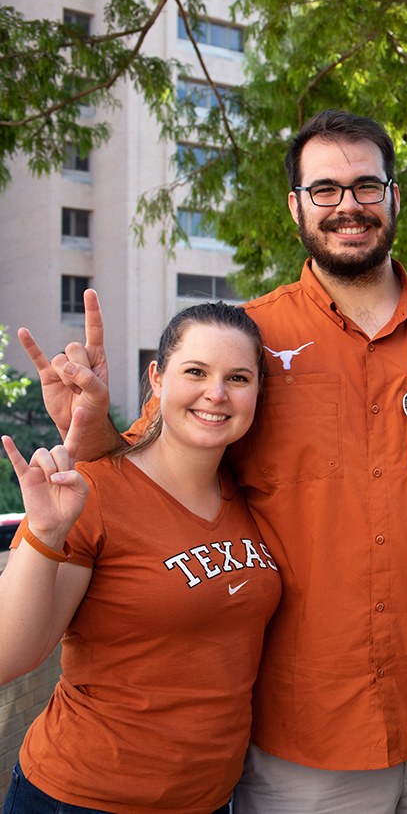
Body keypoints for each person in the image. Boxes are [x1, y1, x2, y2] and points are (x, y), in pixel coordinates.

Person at [17, 110, 407, 814]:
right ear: (296, 206)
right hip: (304, 732)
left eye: (366, 185)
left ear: (394, 196)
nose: (348, 205)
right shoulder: (245, 344)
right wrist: (89, 423)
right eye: (324, 190)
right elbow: (143, 472)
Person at [0, 303, 281, 814]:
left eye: (237, 378)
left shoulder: (248, 495)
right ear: (157, 377)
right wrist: (42, 534)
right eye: (195, 371)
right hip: (83, 798)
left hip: (209, 800)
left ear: (258, 391)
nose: (216, 394)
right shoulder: (92, 490)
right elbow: (8, 656)